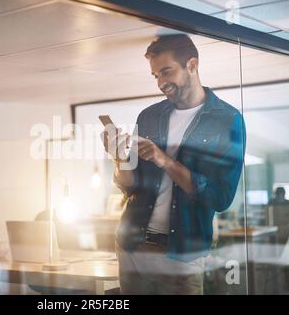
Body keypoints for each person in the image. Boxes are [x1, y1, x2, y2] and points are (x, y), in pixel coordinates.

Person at [101, 34, 245, 295]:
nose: (161, 83)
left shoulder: (227, 120)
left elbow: (220, 197)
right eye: (155, 75)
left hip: (182, 254)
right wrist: (119, 157)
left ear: (192, 64)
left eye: (166, 72)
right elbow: (131, 186)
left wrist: (164, 160)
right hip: (132, 246)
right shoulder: (149, 116)